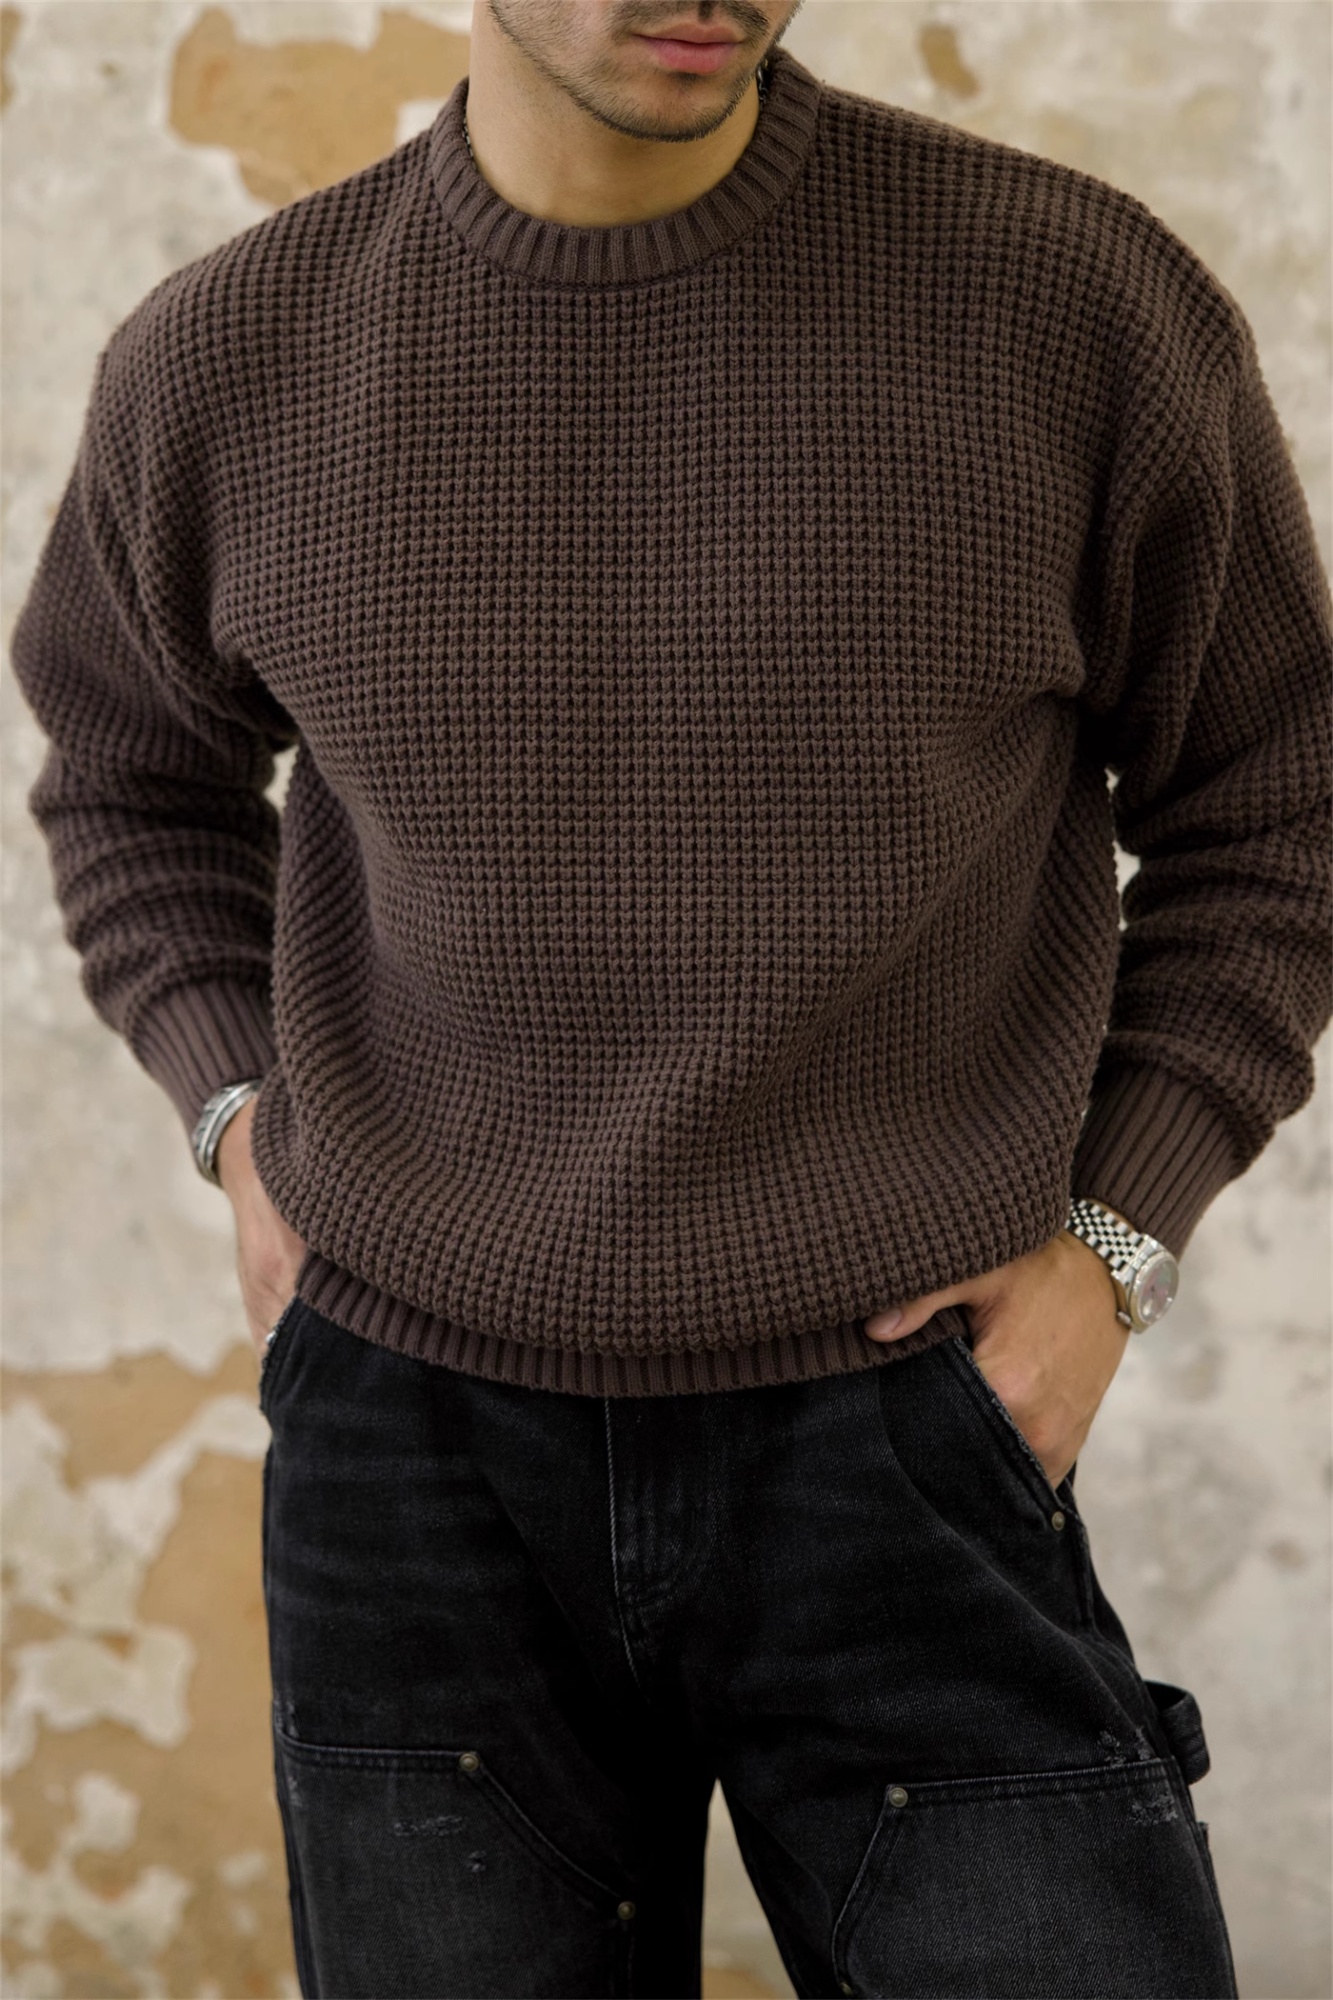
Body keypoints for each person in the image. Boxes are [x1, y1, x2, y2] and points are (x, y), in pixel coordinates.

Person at [11, 0, 1331, 1993]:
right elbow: (130, 779)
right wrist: (233, 1110)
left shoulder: (1070, 307)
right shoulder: (230, 357)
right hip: (415, 1468)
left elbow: (1276, 806)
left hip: (907, 1437)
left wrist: (1114, 1242)